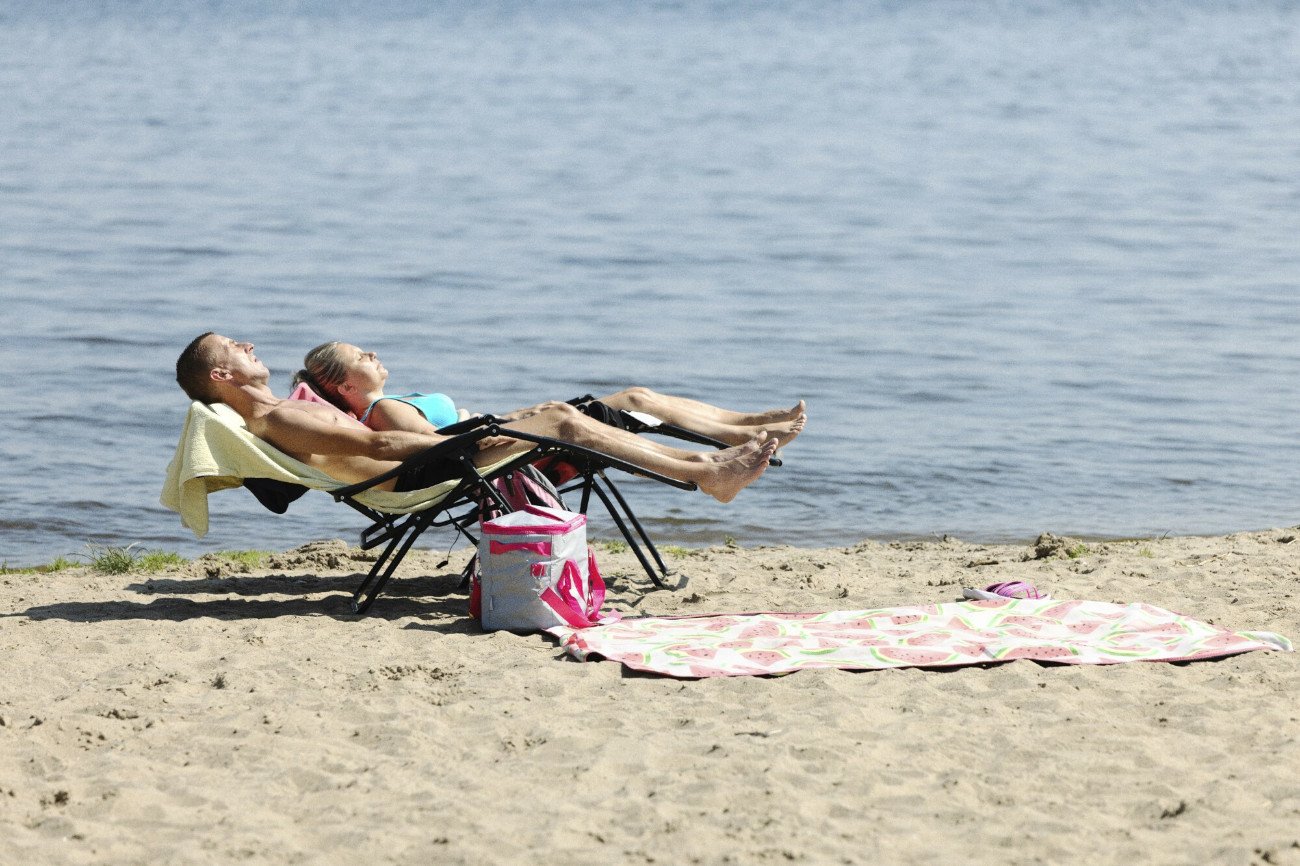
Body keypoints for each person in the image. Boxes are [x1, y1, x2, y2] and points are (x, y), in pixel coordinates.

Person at [175, 333, 779, 503]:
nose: (249, 347)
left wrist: (468, 436)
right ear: (221, 377)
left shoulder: (286, 409)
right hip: (417, 473)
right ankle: (703, 472)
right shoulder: (277, 420)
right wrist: (470, 440)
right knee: (564, 421)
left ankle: (705, 463)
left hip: (428, 460)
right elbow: (380, 450)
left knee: (562, 413)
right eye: (235, 349)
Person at [293, 340, 806, 449]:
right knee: (638, 402)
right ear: (346, 387)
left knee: (638, 394)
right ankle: (741, 433)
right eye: (362, 356)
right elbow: (439, 449)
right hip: (512, 441)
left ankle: (746, 422)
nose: (374, 353)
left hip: (506, 427)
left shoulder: (388, 403)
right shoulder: (382, 410)